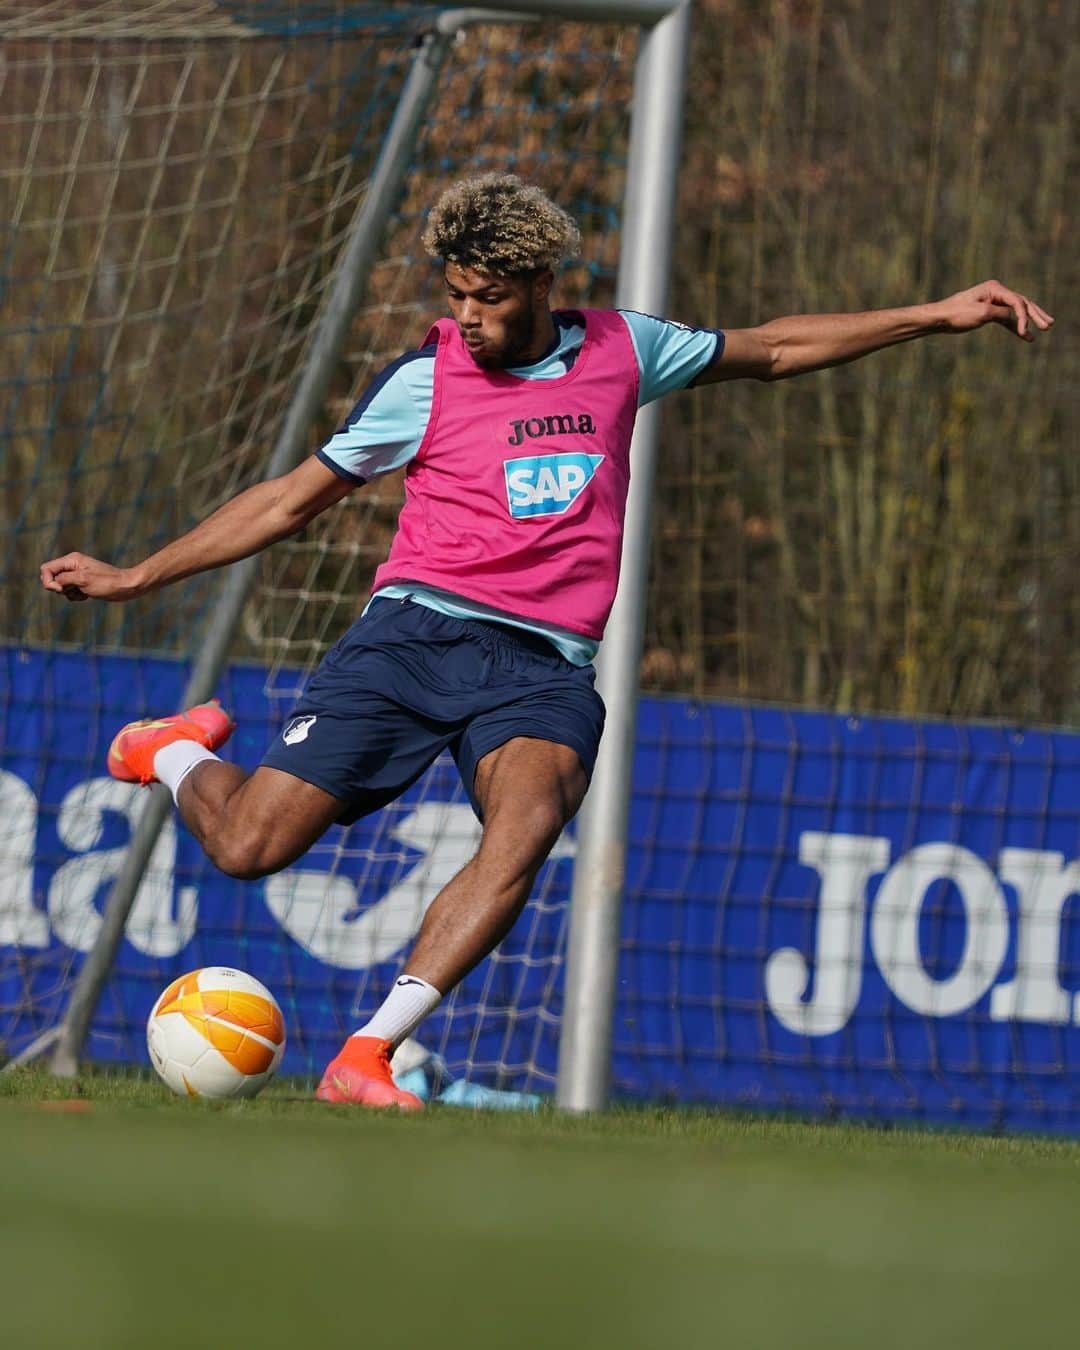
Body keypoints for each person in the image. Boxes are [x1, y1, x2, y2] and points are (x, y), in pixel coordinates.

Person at [39, 174, 1054, 1109]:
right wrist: (140, 573)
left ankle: (367, 1055)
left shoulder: (623, 349)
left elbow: (776, 348)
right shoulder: (425, 375)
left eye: (486, 296)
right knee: (248, 846)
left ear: (536, 282)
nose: (467, 316)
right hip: (416, 636)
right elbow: (289, 503)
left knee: (524, 827)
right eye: (456, 293)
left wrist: (935, 314)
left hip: (542, 670)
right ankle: (171, 747)